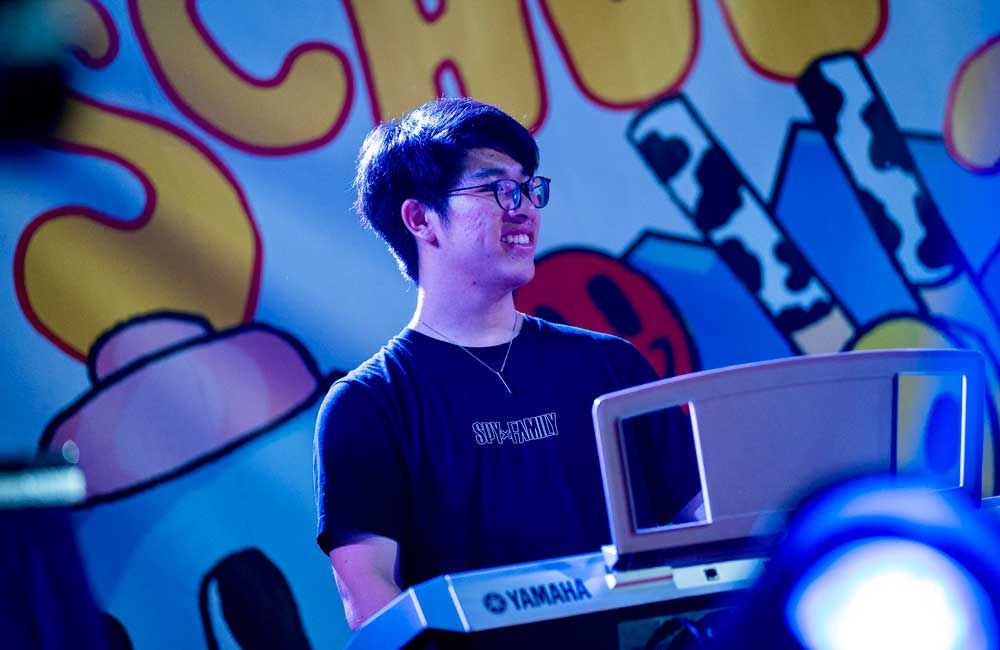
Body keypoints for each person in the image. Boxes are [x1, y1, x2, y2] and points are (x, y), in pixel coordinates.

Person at [313, 97, 700, 630]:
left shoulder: (611, 367)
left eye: (527, 187)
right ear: (421, 218)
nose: (522, 207)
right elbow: (368, 595)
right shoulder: (368, 405)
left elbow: (704, 528)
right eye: (495, 187)